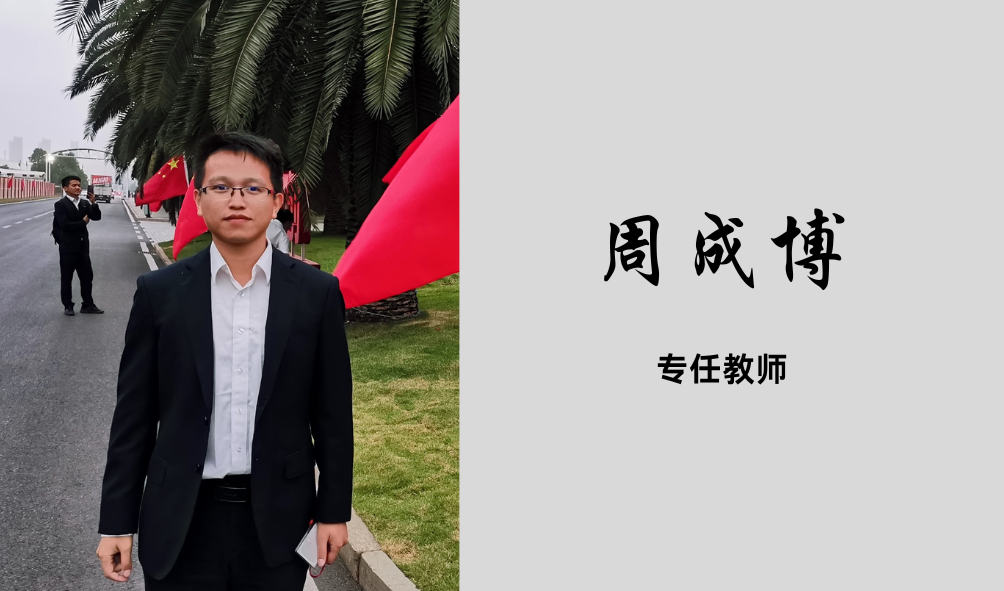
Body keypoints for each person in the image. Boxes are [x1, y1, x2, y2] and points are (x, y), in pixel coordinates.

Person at [95, 132, 353, 589]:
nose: (237, 200)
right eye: (220, 187)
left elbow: (332, 414)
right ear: (198, 199)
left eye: (253, 188)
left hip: (278, 519)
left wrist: (333, 511)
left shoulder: (316, 294)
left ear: (276, 201)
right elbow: (134, 416)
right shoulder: (160, 293)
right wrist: (116, 522)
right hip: (181, 520)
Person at [53, 175, 104, 316]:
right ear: (65, 188)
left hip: (82, 248)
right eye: (74, 185)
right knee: (67, 278)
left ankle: (88, 304)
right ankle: (68, 305)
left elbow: (96, 217)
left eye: (79, 185)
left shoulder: (84, 203)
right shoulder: (61, 205)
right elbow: (64, 225)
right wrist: (82, 223)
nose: (77, 188)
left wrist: (94, 203)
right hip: (68, 248)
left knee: (87, 277)